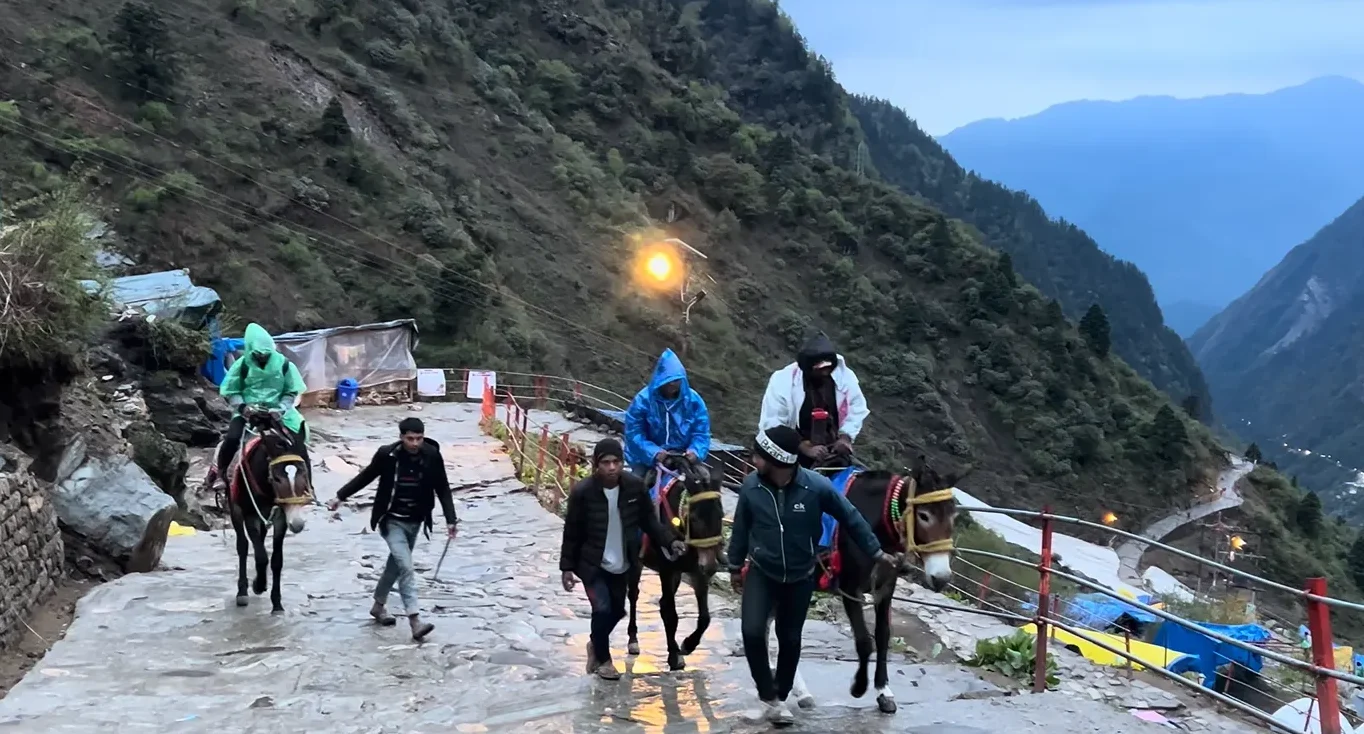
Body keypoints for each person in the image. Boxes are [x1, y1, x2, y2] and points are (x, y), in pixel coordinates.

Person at [728, 426, 898, 725]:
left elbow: (852, 518)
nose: (754, 459)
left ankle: (778, 699)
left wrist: (876, 553)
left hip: (799, 576)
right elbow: (740, 530)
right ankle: (767, 693)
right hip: (762, 572)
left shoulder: (816, 487)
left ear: (776, 459)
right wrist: (733, 566)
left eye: (759, 454)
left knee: (790, 639)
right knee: (752, 632)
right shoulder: (751, 487)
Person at [559, 438, 686, 680]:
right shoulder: (583, 492)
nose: (611, 468)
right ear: (597, 465)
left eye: (616, 462)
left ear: (622, 463)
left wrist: (670, 541)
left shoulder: (634, 487)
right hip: (592, 563)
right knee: (602, 608)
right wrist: (567, 568)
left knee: (617, 611)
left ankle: (595, 643)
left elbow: (649, 521)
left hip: (623, 562)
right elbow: (571, 531)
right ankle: (605, 660)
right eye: (605, 462)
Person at [325, 417, 457, 642]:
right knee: (406, 566)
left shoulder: (432, 456)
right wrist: (340, 496)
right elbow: (365, 477)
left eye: (418, 438)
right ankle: (415, 620)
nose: (414, 443)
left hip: (415, 521)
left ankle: (378, 606)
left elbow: (442, 487)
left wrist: (450, 519)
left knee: (394, 567)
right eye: (409, 439)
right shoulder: (387, 455)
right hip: (391, 520)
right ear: (401, 437)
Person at [217, 322, 310, 486]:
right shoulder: (242, 365)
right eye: (258, 354)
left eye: (266, 354)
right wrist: (243, 408)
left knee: (298, 441)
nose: (263, 357)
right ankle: (221, 473)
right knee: (232, 438)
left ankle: (308, 483)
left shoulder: (284, 364)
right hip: (248, 411)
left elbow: (291, 390)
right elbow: (231, 390)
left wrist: (281, 408)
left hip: (279, 410)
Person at [758, 332, 868, 468]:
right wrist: (803, 446)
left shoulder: (844, 378)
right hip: (791, 451)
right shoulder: (783, 381)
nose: (825, 373)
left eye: (828, 368)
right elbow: (772, 423)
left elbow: (857, 408)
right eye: (820, 369)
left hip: (832, 450)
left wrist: (845, 438)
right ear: (807, 368)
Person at [624, 348, 711, 480]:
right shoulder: (643, 400)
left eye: (676, 380)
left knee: (705, 481)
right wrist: (653, 452)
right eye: (668, 380)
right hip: (649, 459)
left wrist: (695, 451)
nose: (672, 384)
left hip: (683, 457)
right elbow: (634, 433)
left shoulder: (694, 401)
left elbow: (701, 433)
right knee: (635, 486)